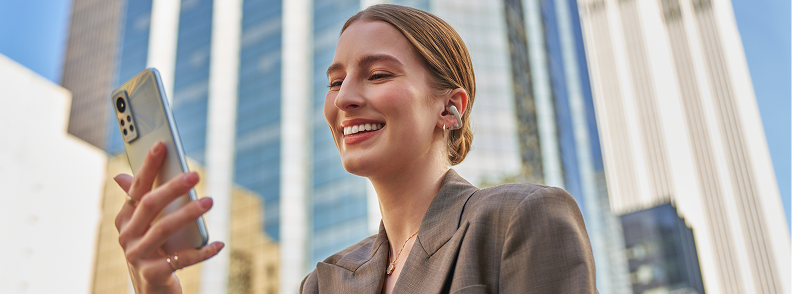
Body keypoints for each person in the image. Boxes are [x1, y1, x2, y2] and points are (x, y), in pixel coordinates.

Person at [113, 4, 596, 294]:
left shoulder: (521, 219)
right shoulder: (324, 283)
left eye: (378, 74)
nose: (343, 98)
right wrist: (157, 289)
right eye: (335, 81)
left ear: (450, 108)